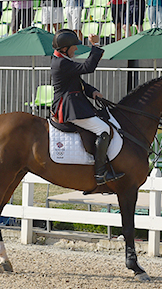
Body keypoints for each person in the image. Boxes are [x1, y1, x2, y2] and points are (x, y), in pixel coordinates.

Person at [50, 29, 124, 185]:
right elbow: (88, 67)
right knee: (103, 130)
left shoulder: (62, 60)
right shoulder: (62, 63)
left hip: (76, 103)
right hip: (70, 107)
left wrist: (93, 92)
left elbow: (77, 82)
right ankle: (100, 173)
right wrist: (95, 45)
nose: (76, 49)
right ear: (64, 49)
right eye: (73, 46)